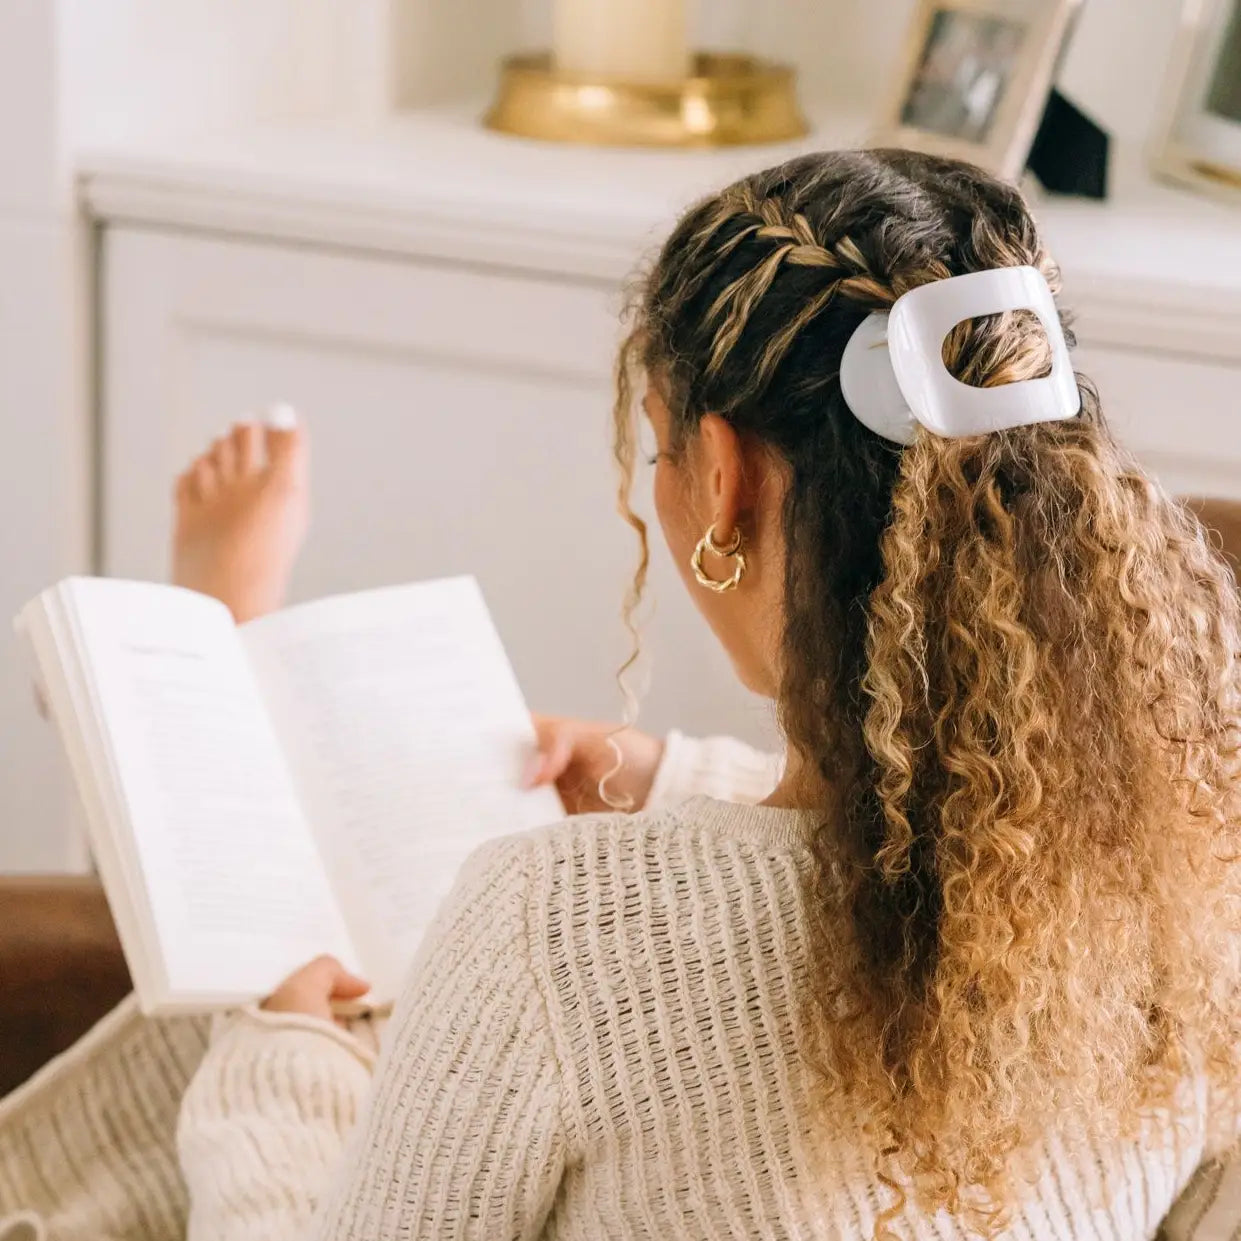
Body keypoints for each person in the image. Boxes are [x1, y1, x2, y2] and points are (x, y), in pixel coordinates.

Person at [55, 149, 1241, 1239]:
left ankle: (230, 641)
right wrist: (681, 776)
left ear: (720, 478)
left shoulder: (554, 927)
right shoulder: (1195, 883)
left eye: (659, 443)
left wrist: (283, 1064)